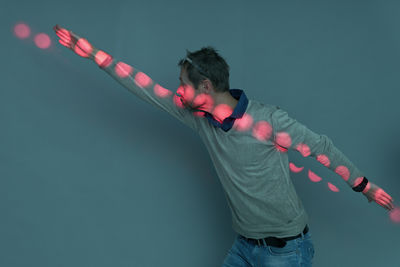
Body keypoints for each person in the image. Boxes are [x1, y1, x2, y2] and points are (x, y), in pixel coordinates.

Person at [53, 25, 395, 267]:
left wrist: (364, 186)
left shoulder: (268, 121)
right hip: (244, 248)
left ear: (205, 85)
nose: (178, 91)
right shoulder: (198, 118)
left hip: (286, 253)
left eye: (183, 84)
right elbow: (142, 87)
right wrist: (92, 53)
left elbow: (322, 148)